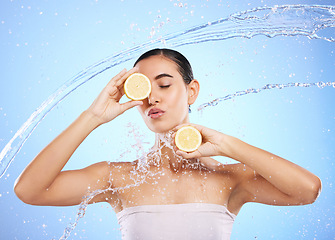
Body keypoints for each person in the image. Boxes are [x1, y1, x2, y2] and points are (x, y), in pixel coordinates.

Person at [14, 48, 321, 240]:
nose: (152, 97)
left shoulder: (229, 179)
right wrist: (93, 116)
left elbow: (308, 190)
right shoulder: (118, 178)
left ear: (191, 91)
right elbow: (29, 190)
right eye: (142, 89)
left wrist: (227, 144)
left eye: (164, 84)